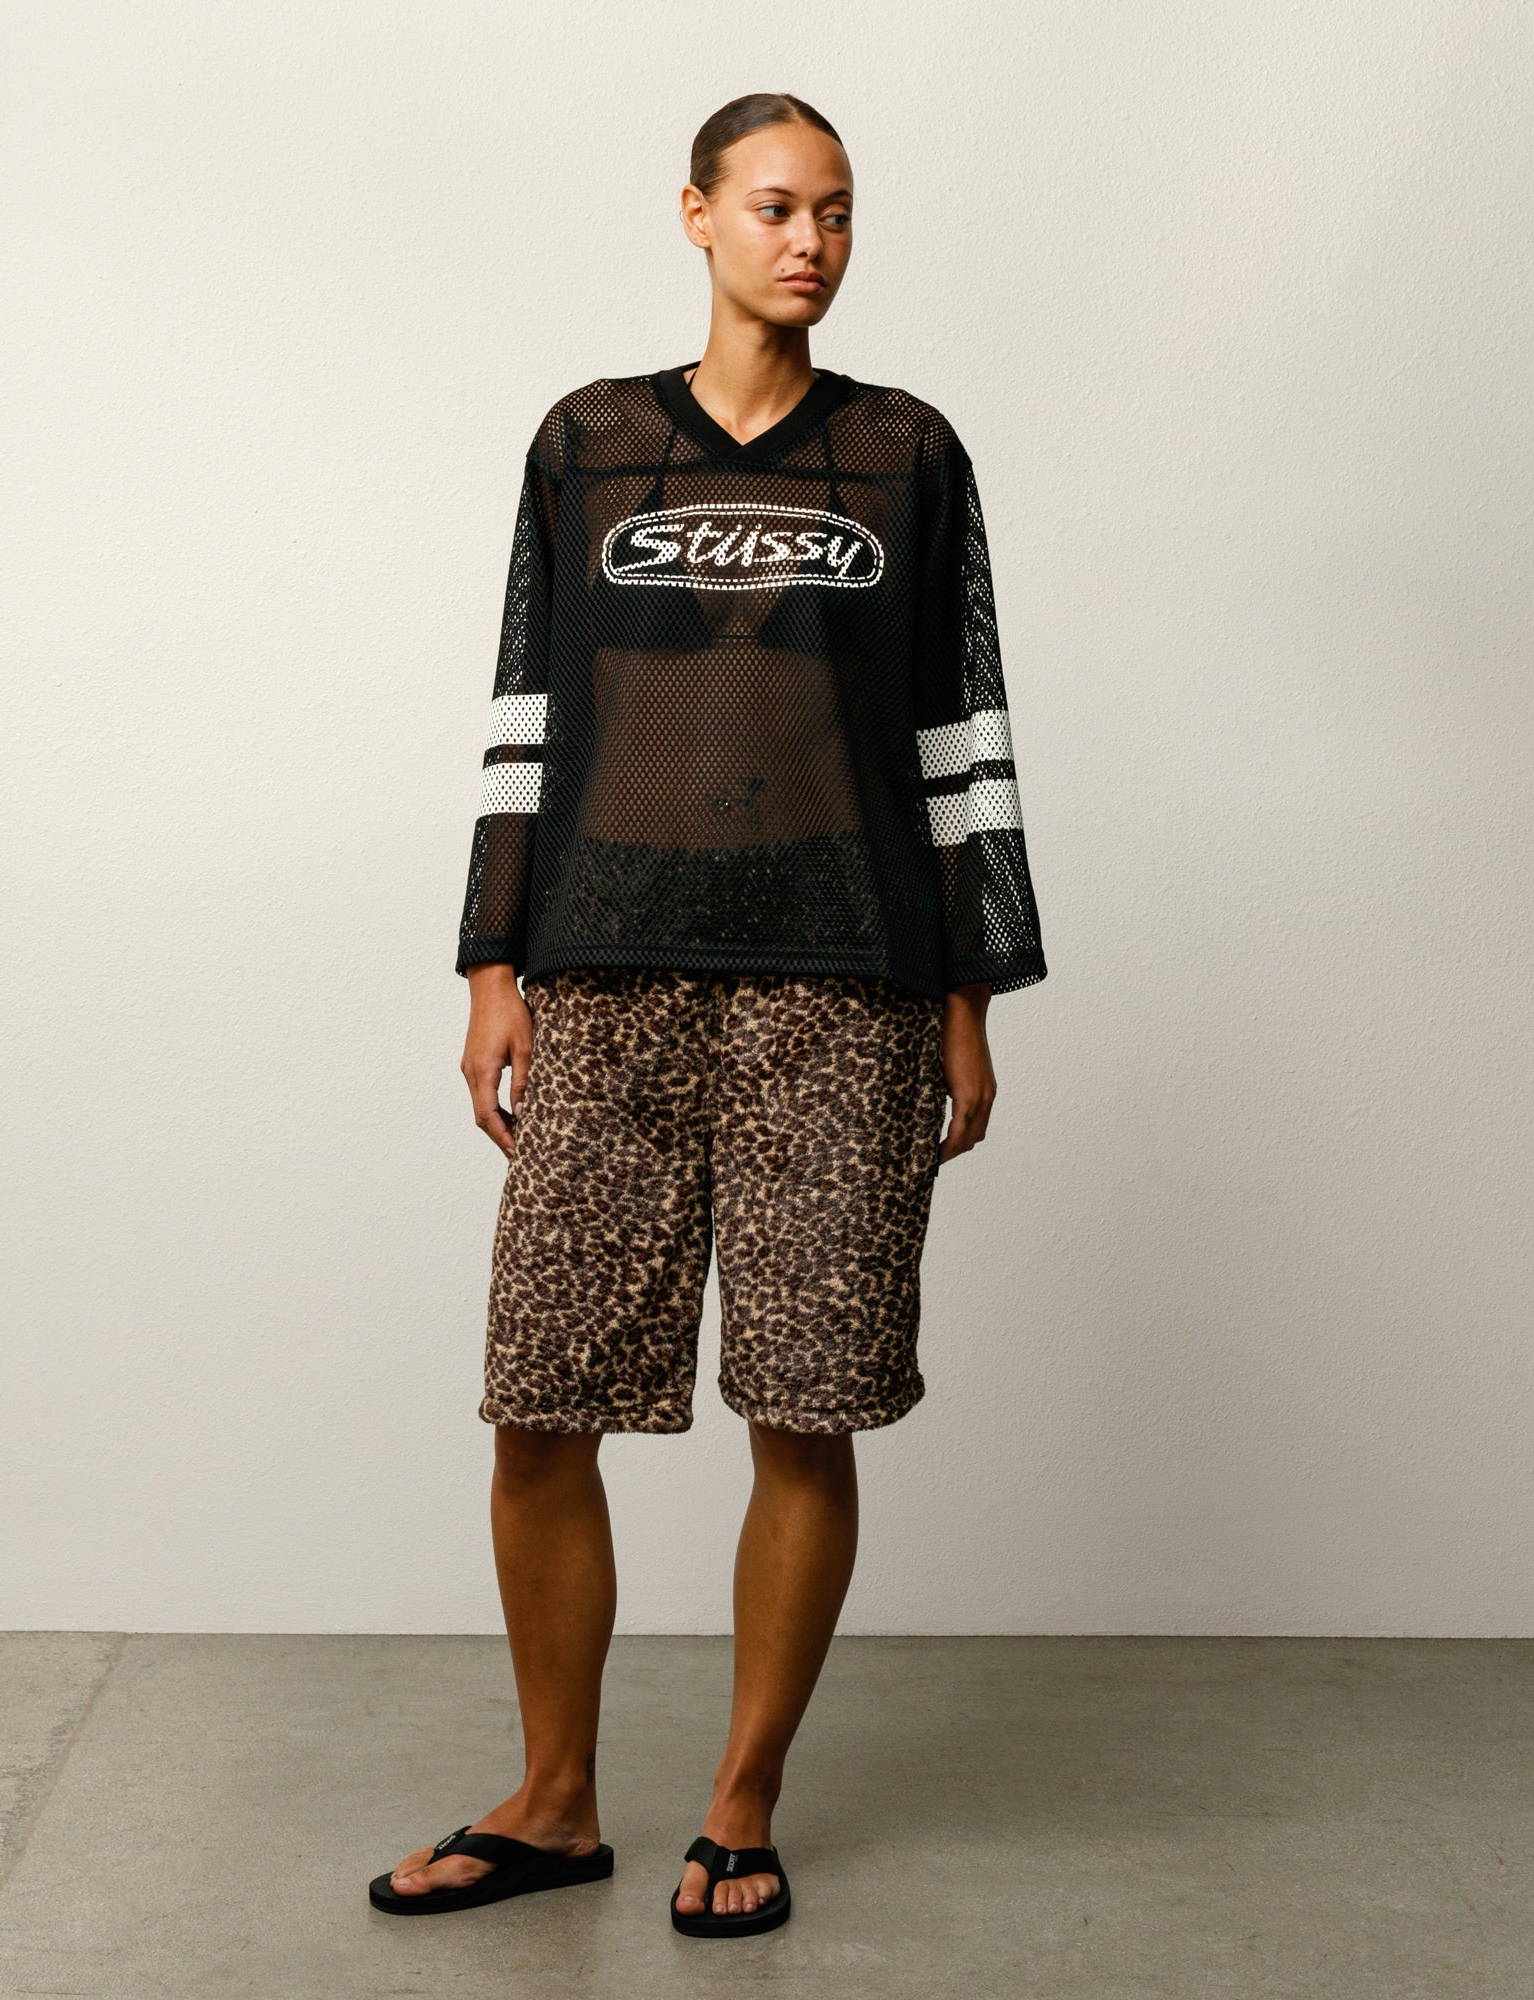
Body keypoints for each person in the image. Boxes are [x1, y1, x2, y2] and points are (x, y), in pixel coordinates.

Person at [367, 90, 1047, 1940]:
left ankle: (742, 1802)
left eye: (838, 210)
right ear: (695, 216)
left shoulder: (905, 452)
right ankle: (555, 1800)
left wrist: (970, 993)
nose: (810, 240)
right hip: (605, 970)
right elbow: (529, 707)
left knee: (806, 1408)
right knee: (539, 1405)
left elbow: (960, 734)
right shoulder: (590, 443)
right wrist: (493, 963)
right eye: (774, 206)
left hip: (850, 985)